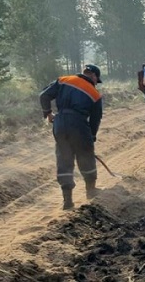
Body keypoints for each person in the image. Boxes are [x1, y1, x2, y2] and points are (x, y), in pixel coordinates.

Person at [40, 64, 104, 210]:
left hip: (60, 123)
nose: (96, 83)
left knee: (64, 158)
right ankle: (91, 191)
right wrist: (91, 137)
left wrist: (48, 113)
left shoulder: (64, 80)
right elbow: (95, 119)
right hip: (79, 125)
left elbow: (43, 96)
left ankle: (67, 200)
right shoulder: (95, 94)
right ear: (93, 76)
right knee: (85, 156)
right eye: (96, 80)